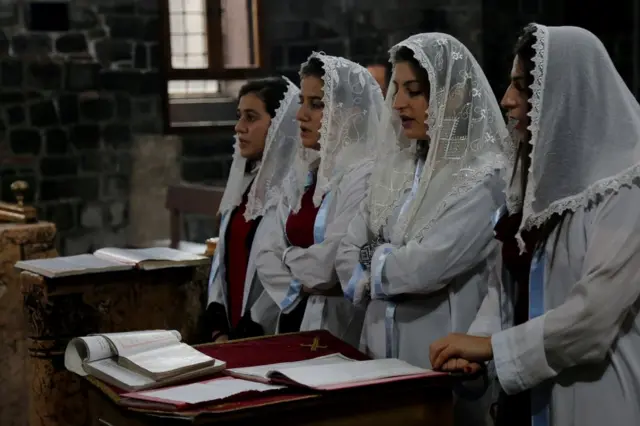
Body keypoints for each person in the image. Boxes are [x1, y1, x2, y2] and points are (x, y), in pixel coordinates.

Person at [429, 24, 640, 426]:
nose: (508, 100)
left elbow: (593, 317)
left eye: (524, 87)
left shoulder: (626, 187)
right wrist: (476, 351)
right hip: (525, 396)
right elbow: (505, 283)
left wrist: (491, 346)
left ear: (569, 95)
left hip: (597, 396)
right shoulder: (537, 183)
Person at [335, 33, 509, 424]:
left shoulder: (482, 176)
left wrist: (373, 258)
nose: (397, 104)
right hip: (377, 351)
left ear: (454, 96)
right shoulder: (395, 167)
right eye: (396, 89)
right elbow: (347, 250)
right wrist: (379, 261)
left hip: (439, 355)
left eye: (413, 91)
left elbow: (426, 268)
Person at [255, 53, 386, 347]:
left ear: (350, 112)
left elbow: (330, 266)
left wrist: (287, 257)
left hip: (340, 323)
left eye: (316, 105)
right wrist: (297, 275)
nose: (301, 114)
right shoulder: (304, 173)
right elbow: (265, 250)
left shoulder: (365, 175)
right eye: (302, 102)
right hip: (292, 313)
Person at [206, 76, 300, 342]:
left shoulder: (296, 190)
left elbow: (286, 273)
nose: (239, 128)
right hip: (231, 332)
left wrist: (256, 322)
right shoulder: (244, 186)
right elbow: (223, 260)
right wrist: (218, 323)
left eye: (250, 117)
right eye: (239, 116)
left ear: (281, 124)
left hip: (269, 332)